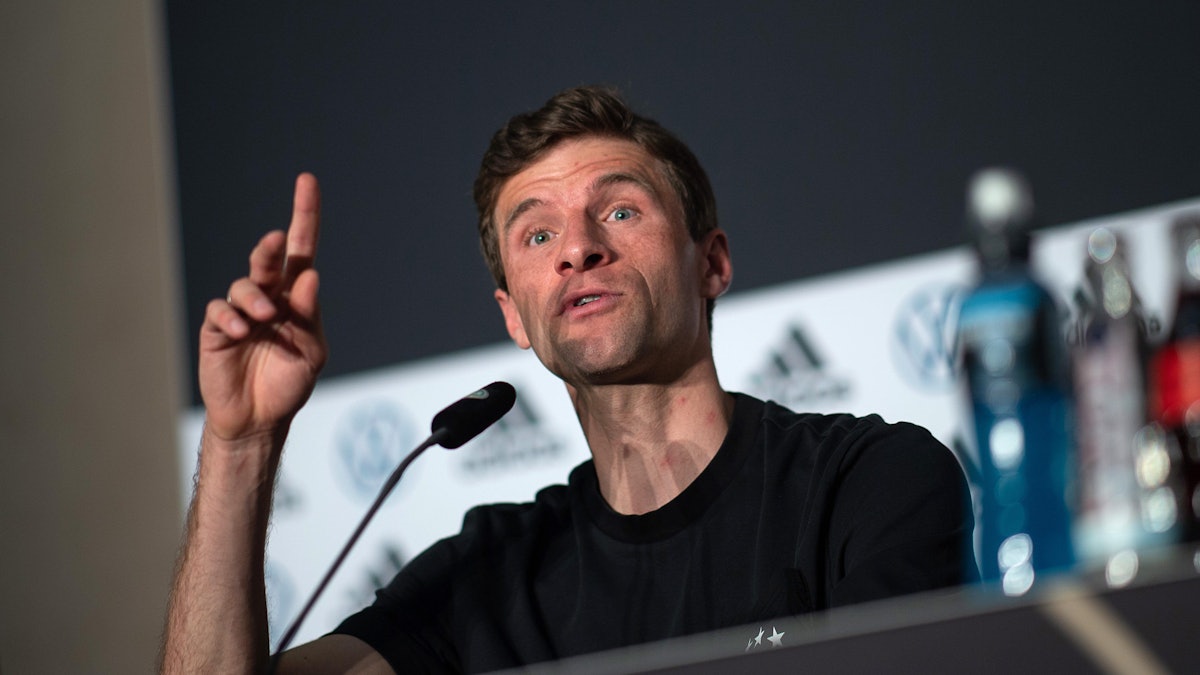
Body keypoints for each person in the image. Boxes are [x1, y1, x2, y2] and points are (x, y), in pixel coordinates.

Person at [161, 85, 976, 674]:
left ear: (712, 264)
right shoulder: (482, 579)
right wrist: (242, 441)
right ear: (515, 316)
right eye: (537, 233)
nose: (578, 248)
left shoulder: (871, 483)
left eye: (619, 210)